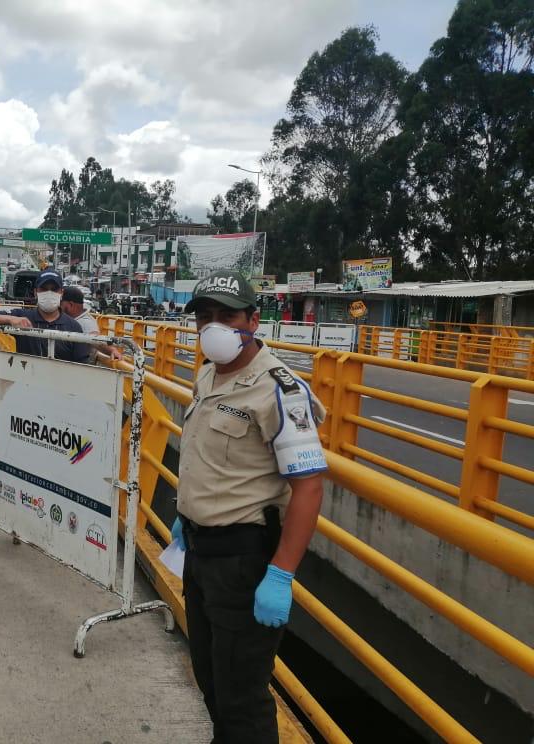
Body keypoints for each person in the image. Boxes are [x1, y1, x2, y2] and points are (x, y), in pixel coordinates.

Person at [171, 270, 327, 743]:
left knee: (243, 700)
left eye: (227, 315)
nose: (213, 326)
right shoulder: (207, 374)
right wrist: (185, 517)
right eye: (204, 316)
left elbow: (309, 485)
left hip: (244, 562)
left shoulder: (279, 390)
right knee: (211, 680)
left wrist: (281, 574)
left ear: (254, 320)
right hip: (199, 555)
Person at [0, 269, 91, 363]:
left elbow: (82, 366)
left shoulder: (74, 327)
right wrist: (11, 319)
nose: (49, 293)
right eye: (44, 288)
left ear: (61, 293)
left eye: (54, 289)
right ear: (35, 292)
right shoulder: (23, 316)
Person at [60, 286, 122, 363]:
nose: (59, 307)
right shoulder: (73, 319)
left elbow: (96, 340)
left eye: (61, 304)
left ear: (71, 305)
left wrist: (112, 350)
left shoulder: (85, 322)